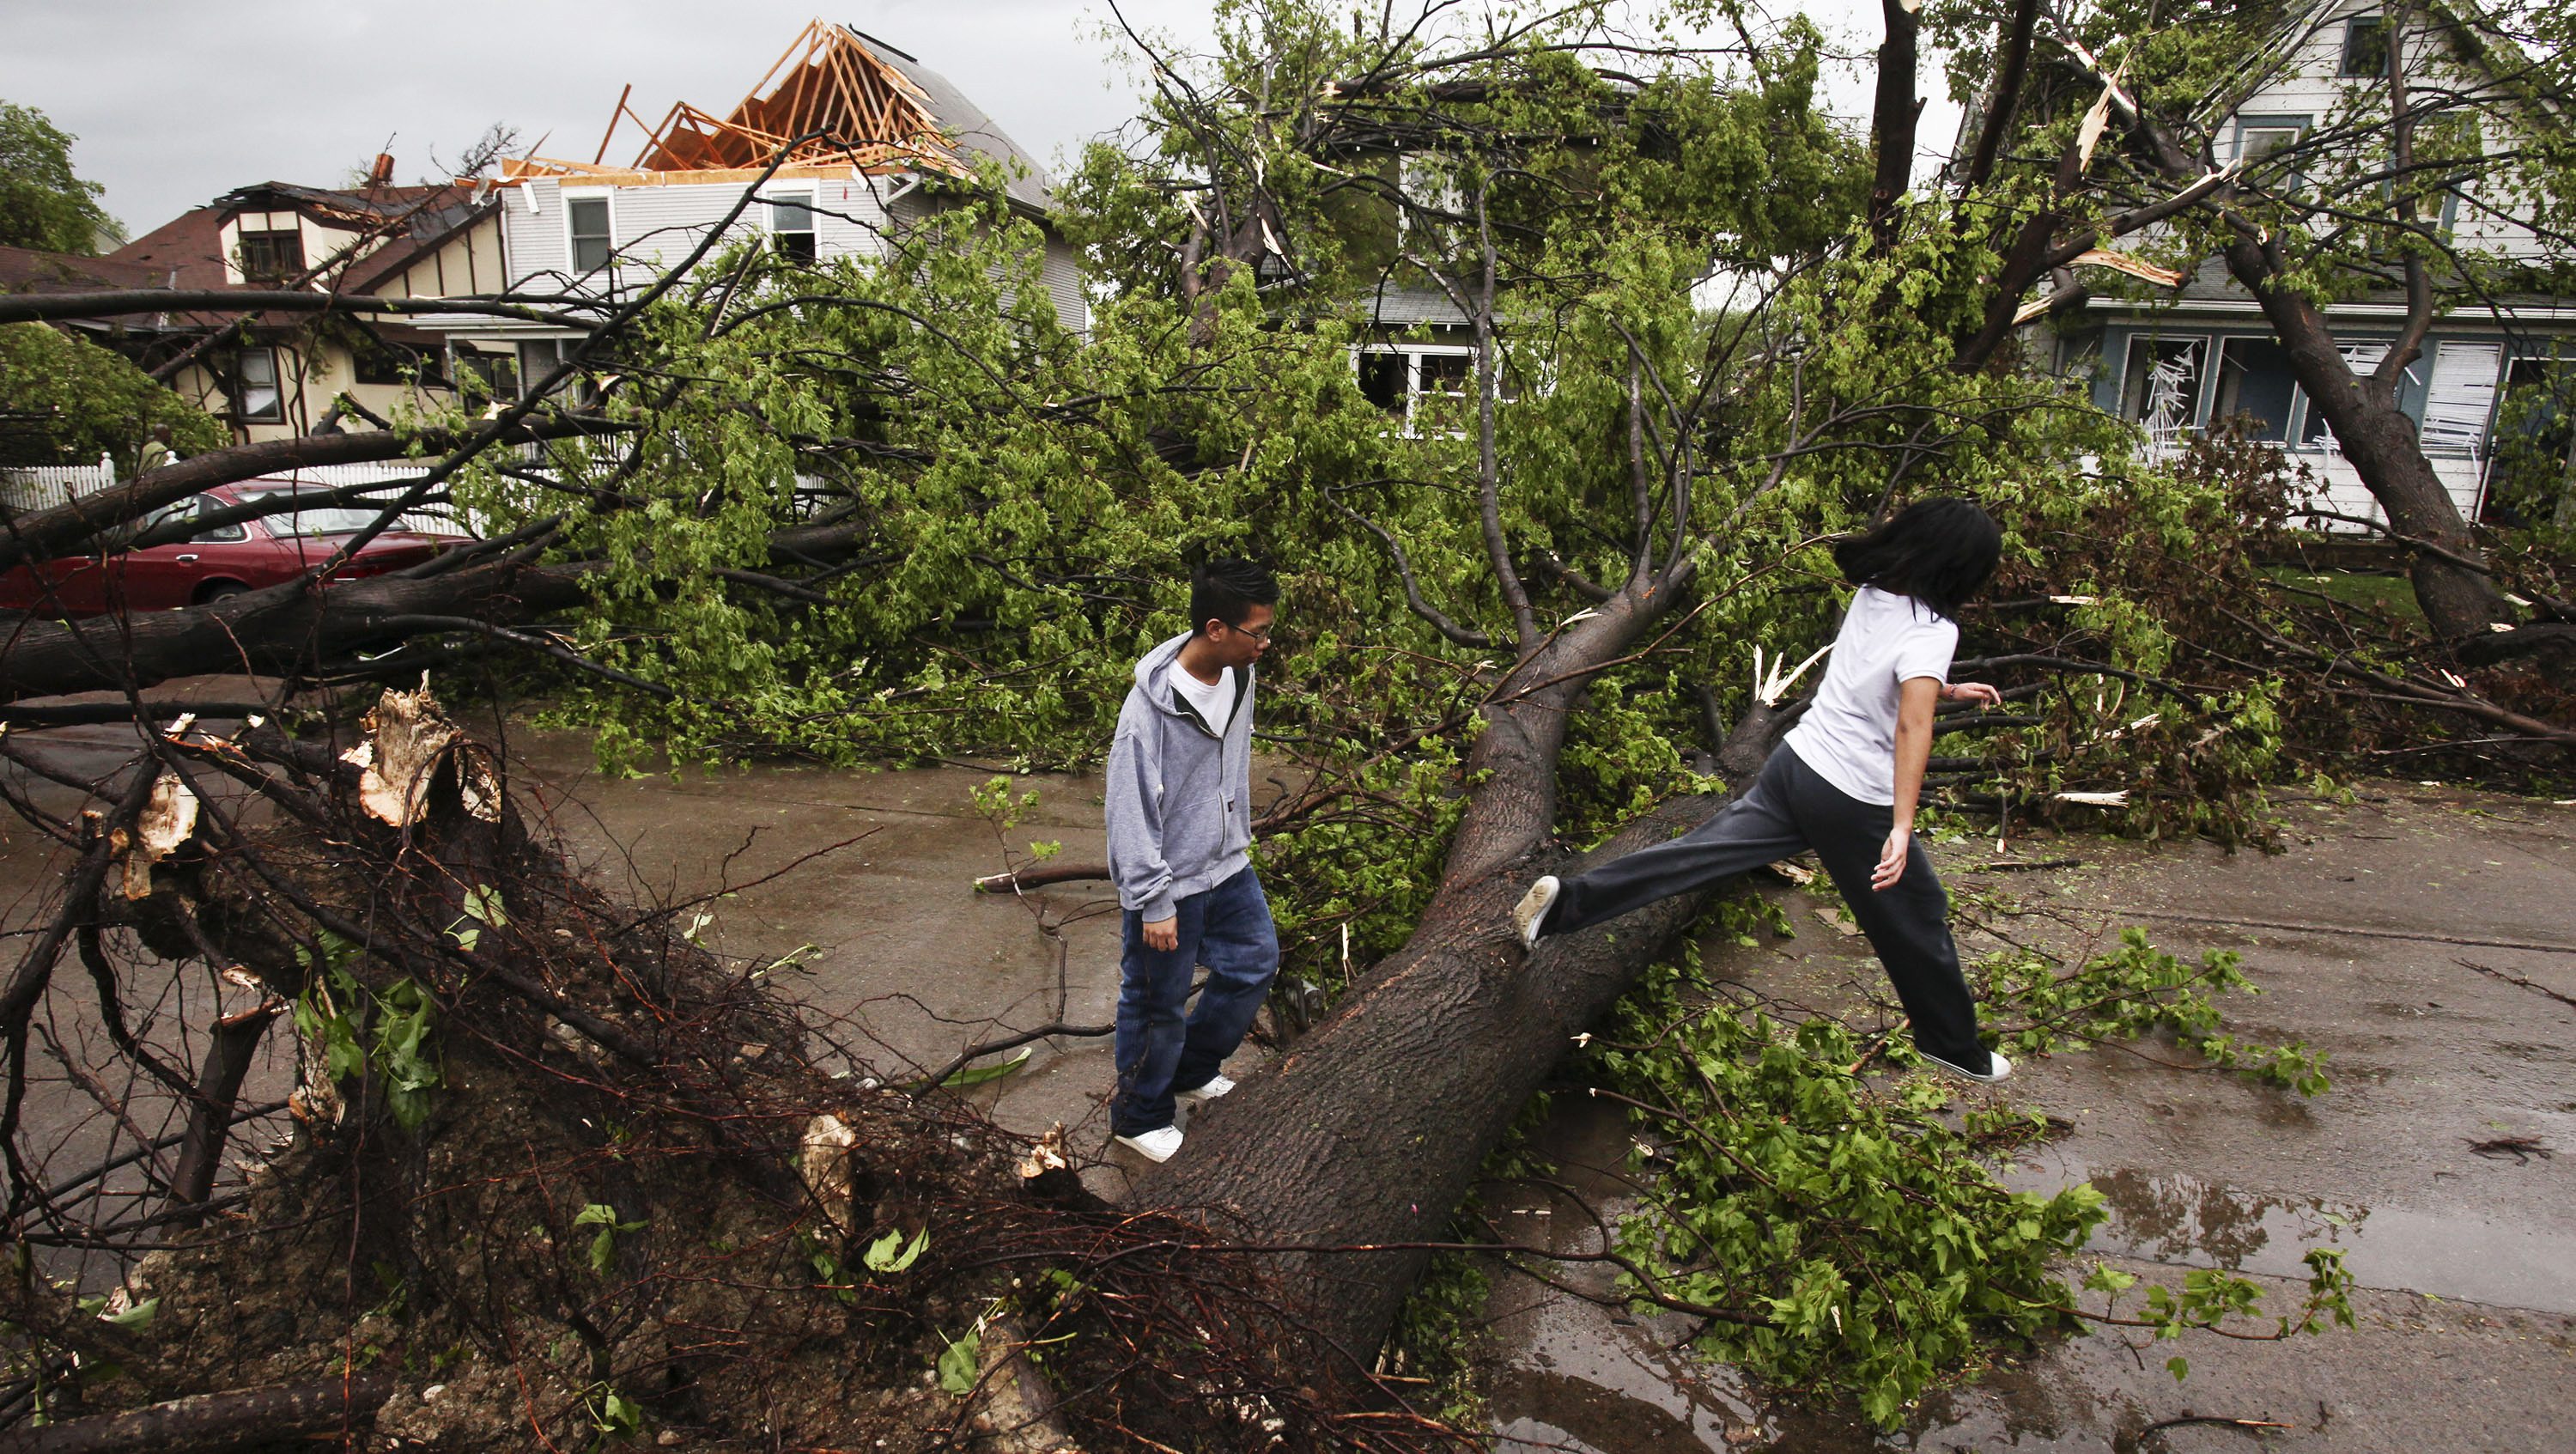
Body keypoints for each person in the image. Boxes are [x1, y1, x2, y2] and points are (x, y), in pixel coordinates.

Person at [1511, 497, 2014, 1083]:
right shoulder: (1935, 630)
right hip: (1850, 796)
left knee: (1697, 854)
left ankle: (1565, 904)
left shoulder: (1875, 591)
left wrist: (1943, 688)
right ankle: (1953, 1045)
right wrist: (1902, 824)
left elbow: (1874, 672)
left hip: (1795, 764)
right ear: (1960, 568)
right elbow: (1912, 725)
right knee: (1918, 912)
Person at [1104, 558, 1283, 1161]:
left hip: (1226, 865)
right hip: (1169, 881)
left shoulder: (1239, 677)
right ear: (1215, 628)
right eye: (1258, 632)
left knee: (1255, 961)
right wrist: (1153, 900)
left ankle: (1192, 1068)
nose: (1265, 644)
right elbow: (1128, 813)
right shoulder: (1145, 716)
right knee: (1156, 1003)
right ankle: (1139, 1116)